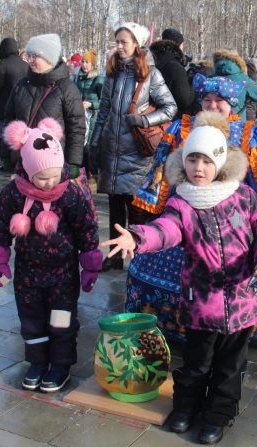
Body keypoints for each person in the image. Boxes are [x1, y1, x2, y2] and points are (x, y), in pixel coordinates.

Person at [102, 120, 257, 445]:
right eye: (193, 159)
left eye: (207, 161)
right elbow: (166, 229)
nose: (199, 168)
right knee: (196, 363)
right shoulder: (182, 202)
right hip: (202, 302)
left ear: (220, 162)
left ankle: (219, 415)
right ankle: (186, 408)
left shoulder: (245, 197)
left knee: (230, 367)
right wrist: (139, 237)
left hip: (243, 301)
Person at [129, 75, 257, 347]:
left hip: (235, 222)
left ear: (233, 104)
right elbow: (162, 166)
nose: (213, 106)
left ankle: (238, 330)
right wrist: (150, 213)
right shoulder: (182, 127)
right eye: (207, 100)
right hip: (188, 214)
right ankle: (184, 331)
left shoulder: (252, 132)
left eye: (220, 101)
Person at [0, 118, 101, 392]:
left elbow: (86, 228)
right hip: (28, 273)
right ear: (27, 168)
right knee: (32, 319)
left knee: (62, 320)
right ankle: (37, 362)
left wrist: (90, 265)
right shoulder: (12, 194)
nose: (50, 183)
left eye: (54, 175)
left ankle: (61, 365)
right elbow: (1, 227)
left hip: (63, 274)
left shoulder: (71, 194)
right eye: (42, 177)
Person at [89, 22, 177, 271]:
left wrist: (144, 119)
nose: (119, 46)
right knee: (115, 204)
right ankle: (116, 256)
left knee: (136, 206)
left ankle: (140, 255)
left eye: (124, 41)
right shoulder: (113, 72)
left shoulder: (150, 74)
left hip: (137, 152)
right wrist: (94, 143)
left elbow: (170, 107)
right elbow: (104, 110)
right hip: (112, 151)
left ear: (137, 44)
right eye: (116, 41)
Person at [5, 33, 87, 187]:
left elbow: (76, 129)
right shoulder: (21, 85)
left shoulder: (67, 89)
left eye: (35, 56)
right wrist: (7, 154)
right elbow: (9, 119)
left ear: (49, 58)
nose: (30, 60)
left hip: (53, 168)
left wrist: (73, 163)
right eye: (28, 56)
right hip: (24, 163)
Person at [0, 37, 29, 172]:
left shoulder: (2, 64)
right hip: (23, 107)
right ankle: (22, 162)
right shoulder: (25, 65)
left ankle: (8, 163)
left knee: (6, 135)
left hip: (5, 106)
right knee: (22, 136)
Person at [212, 49, 257, 120]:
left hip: (213, 124)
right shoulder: (244, 79)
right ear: (237, 60)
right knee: (247, 130)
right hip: (239, 123)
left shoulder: (209, 79)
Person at [74, 48, 105, 175]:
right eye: (83, 62)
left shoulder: (99, 79)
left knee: (90, 148)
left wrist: (92, 104)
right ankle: (81, 173)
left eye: (87, 62)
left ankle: (91, 174)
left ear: (92, 64)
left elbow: (104, 101)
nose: (85, 65)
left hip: (93, 117)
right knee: (79, 145)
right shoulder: (78, 78)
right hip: (79, 116)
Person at [150, 36, 193, 119]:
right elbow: (184, 100)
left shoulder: (148, 65)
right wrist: (192, 85)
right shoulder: (176, 67)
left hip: (150, 117)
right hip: (172, 122)